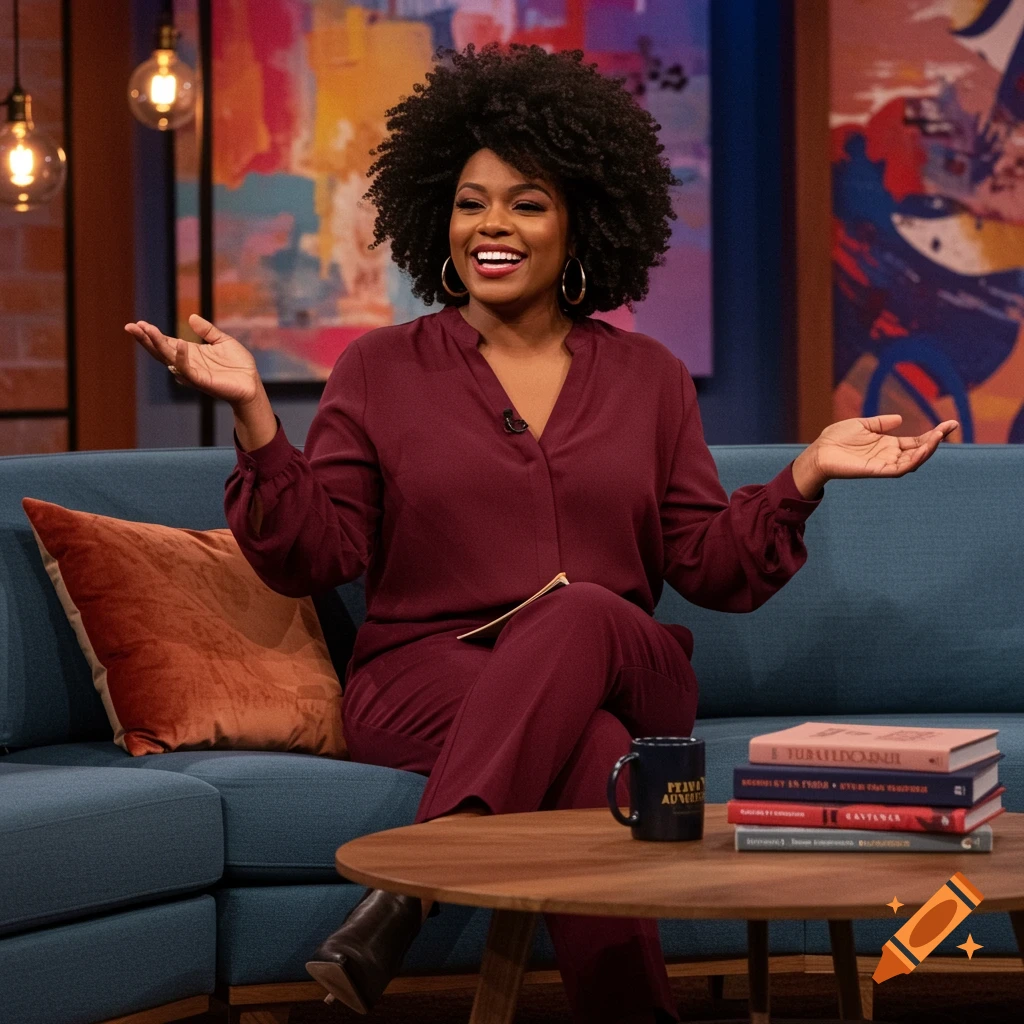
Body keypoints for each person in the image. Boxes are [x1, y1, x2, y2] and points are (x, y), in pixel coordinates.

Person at [126, 42, 958, 1024]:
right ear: (437, 213)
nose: (493, 225)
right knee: (591, 749)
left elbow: (711, 565)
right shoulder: (379, 369)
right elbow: (319, 555)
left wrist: (805, 474)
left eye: (526, 202)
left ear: (581, 224)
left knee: (584, 614)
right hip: (423, 678)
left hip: (624, 658)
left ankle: (412, 889)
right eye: (471, 201)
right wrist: (258, 418)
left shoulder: (646, 376)